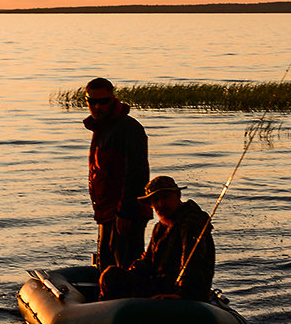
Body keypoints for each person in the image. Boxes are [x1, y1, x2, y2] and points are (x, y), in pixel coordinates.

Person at [98, 176, 216, 301]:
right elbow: (147, 262)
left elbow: (194, 263)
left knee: (112, 276)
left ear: (177, 195)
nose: (161, 204)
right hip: (159, 284)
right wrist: (129, 274)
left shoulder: (191, 223)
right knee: (112, 275)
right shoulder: (160, 227)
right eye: (155, 200)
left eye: (165, 197)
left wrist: (183, 294)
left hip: (181, 291)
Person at [84, 76, 151, 270]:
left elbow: (137, 174)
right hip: (106, 211)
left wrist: (125, 212)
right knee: (106, 261)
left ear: (113, 99)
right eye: (92, 101)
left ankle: (132, 297)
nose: (97, 106)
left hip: (126, 211)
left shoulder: (129, 129)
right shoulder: (102, 129)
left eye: (103, 101)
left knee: (125, 263)